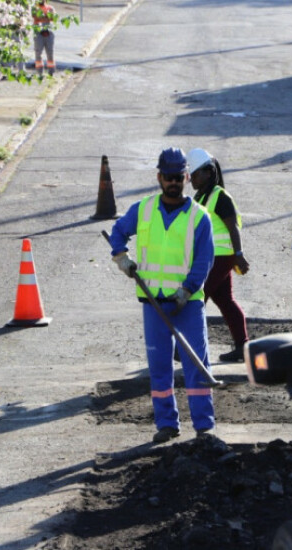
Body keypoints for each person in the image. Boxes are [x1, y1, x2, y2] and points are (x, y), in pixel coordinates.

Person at [108, 148, 217, 443]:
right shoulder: (142, 210)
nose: (172, 182)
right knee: (159, 368)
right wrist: (122, 258)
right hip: (153, 302)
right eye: (167, 177)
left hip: (188, 303)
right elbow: (118, 233)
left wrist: (187, 289)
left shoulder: (199, 217)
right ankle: (166, 424)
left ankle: (204, 425)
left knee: (196, 364)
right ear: (159, 177)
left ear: (185, 177)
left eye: (177, 177)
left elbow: (204, 259)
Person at [187, 148, 251, 363]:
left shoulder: (220, 197)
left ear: (208, 172)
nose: (191, 179)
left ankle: (188, 347)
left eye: (195, 174)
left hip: (221, 257)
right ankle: (243, 346)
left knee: (197, 297)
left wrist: (239, 254)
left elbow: (233, 227)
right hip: (212, 256)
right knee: (225, 300)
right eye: (191, 174)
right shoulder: (202, 196)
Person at [32, 0, 57, 77]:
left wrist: (42, 17)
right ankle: (40, 72)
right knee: (38, 52)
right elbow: (35, 17)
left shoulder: (50, 8)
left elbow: (53, 17)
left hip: (49, 32)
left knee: (50, 52)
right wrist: (46, 17)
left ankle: (51, 71)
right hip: (38, 33)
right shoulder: (34, 8)